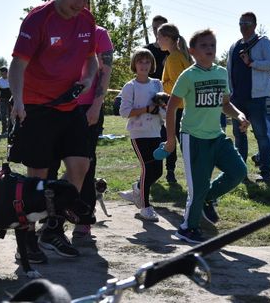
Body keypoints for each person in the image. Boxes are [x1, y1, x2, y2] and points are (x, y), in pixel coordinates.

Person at [9, 0, 99, 261]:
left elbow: (93, 61)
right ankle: (28, 239)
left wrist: (87, 79)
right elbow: (17, 65)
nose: (79, 4)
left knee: (80, 167)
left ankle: (53, 227)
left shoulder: (86, 20)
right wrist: (18, 101)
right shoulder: (38, 19)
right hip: (38, 107)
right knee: (38, 174)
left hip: (69, 106)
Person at [163, 29, 248, 243]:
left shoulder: (220, 73)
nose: (210, 49)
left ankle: (208, 199)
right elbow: (172, 107)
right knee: (198, 187)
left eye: (212, 45)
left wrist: (239, 116)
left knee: (238, 171)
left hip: (216, 137)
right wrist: (171, 139)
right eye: (204, 45)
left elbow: (225, 104)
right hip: (193, 137)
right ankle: (186, 228)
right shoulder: (188, 75)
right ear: (192, 51)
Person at [73, 25, 113, 238]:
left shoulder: (99, 34)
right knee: (52, 162)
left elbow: (105, 72)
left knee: (86, 162)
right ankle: (51, 219)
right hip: (59, 107)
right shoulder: (57, 29)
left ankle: (85, 216)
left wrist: (96, 106)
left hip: (88, 107)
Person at [227, 12, 270, 183]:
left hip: (256, 98)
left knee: (261, 135)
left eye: (247, 23)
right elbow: (229, 71)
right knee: (239, 136)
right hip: (237, 99)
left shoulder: (264, 42)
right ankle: (242, 173)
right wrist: (229, 92)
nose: (243, 26)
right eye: (241, 22)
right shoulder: (234, 46)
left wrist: (251, 63)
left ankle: (266, 172)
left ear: (255, 25)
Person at [118, 49, 165, 222]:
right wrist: (146, 109)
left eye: (147, 62)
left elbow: (164, 108)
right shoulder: (130, 86)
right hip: (138, 134)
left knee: (158, 171)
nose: (144, 65)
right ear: (134, 65)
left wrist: (162, 110)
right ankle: (145, 207)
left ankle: (137, 189)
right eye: (140, 62)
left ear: (152, 65)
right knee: (147, 168)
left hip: (155, 132)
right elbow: (124, 112)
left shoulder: (157, 84)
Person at [157, 23, 193, 183]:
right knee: (177, 140)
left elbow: (178, 85)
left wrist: (160, 85)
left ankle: (172, 172)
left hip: (177, 107)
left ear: (167, 38)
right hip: (184, 106)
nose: (157, 40)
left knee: (171, 140)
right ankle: (172, 173)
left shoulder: (173, 58)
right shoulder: (181, 55)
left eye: (159, 37)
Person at [144, 15, 169, 80]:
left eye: (160, 28)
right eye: (155, 28)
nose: (157, 31)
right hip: (149, 88)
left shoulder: (173, 50)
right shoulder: (146, 50)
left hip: (168, 88)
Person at [0, 66, 12, 136]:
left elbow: (13, 90)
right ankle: (4, 130)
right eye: (1, 74)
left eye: (4, 73)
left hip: (10, 99)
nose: (3, 75)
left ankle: (10, 130)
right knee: (3, 115)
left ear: (7, 72)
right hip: (2, 100)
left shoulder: (11, 79)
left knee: (10, 115)